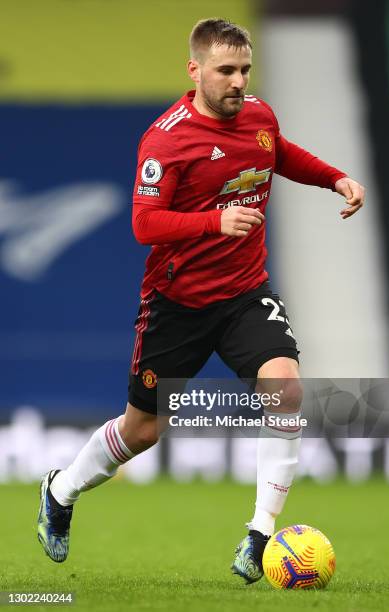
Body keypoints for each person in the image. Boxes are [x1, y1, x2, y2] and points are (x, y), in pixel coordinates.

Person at [37, 18, 365, 583]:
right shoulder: (166, 138)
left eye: (245, 69)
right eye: (226, 71)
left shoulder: (258, 114)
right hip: (178, 303)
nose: (239, 81)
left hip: (244, 293)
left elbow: (277, 152)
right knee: (142, 432)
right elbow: (144, 223)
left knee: (284, 386)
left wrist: (334, 178)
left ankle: (260, 536)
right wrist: (216, 221)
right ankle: (60, 491)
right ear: (195, 71)